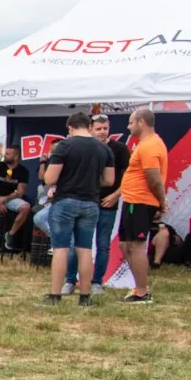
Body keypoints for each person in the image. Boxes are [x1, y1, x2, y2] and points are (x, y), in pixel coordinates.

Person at [39, 111, 113, 307]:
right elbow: (109, 180)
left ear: (70, 127)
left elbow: (50, 179)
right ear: (89, 126)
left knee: (61, 249)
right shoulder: (104, 148)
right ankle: (85, 296)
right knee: (85, 249)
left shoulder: (66, 145)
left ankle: (55, 295)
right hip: (91, 203)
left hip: (65, 201)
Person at [117, 107, 169, 305]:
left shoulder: (150, 146)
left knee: (136, 246)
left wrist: (161, 203)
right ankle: (139, 287)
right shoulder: (144, 144)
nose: (128, 126)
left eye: (130, 122)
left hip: (140, 202)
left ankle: (142, 292)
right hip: (132, 201)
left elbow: (154, 180)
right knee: (124, 244)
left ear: (141, 122)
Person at [87, 113, 130, 291]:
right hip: (87, 201)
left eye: (105, 128)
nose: (102, 132)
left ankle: (97, 281)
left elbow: (128, 176)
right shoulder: (85, 147)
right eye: (99, 128)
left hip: (108, 202)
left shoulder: (119, 148)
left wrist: (116, 195)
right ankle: (71, 279)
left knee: (103, 244)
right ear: (90, 129)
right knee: (81, 244)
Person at [0, 145, 32, 254]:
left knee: (25, 207)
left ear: (16, 156)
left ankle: (11, 234)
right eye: (6, 153)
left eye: (8, 154)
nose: (5, 155)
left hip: (8, 198)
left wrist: (4, 199)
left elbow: (20, 191)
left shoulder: (23, 171)